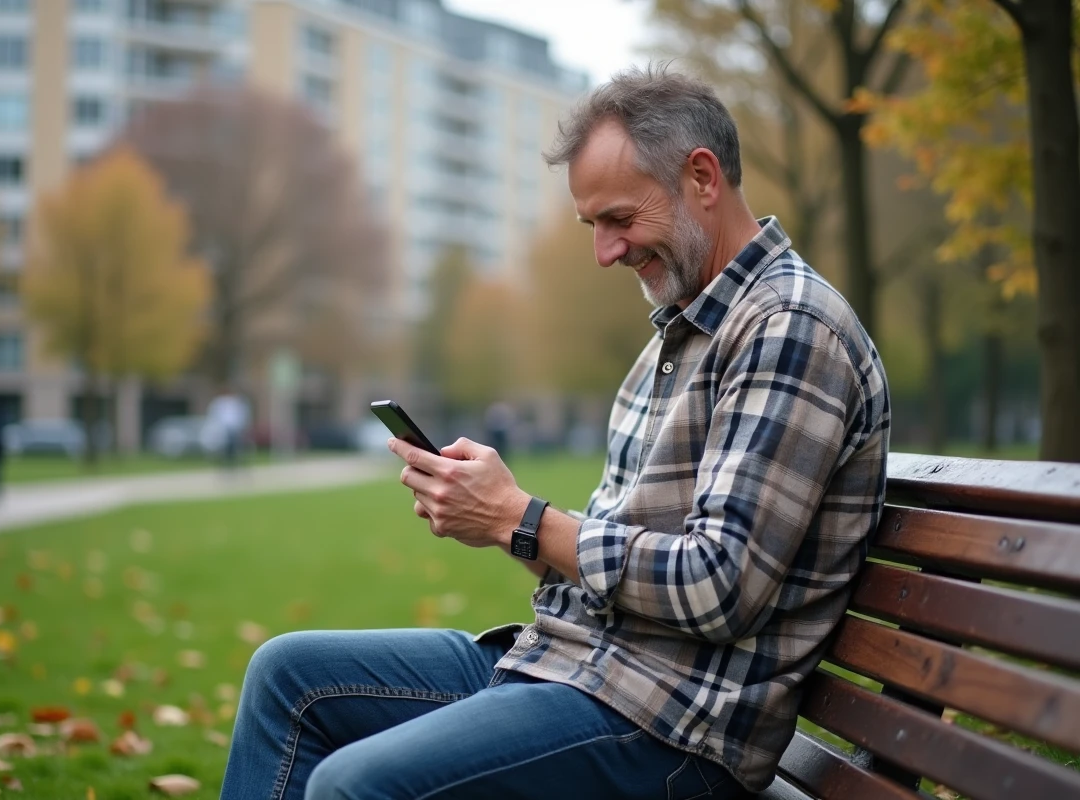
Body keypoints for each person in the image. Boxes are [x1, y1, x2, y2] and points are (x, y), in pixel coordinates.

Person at [220, 65, 890, 800]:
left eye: (619, 221)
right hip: (577, 665)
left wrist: (522, 519)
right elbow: (615, 566)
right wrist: (497, 519)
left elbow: (717, 586)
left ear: (702, 178)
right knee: (285, 677)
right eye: (591, 226)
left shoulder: (790, 328)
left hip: (670, 726)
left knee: (357, 786)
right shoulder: (680, 333)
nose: (605, 253)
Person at [206, 384, 251, 468]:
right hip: (223, 430)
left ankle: (236, 465)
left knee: (237, 448)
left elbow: (242, 415)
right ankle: (226, 465)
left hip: (235, 429)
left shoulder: (237, 402)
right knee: (225, 449)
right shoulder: (219, 402)